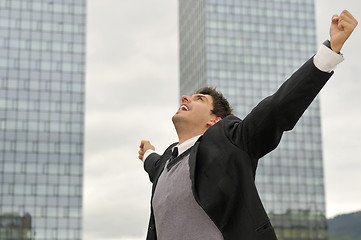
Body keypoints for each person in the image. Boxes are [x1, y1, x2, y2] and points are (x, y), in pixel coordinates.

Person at [138, 10, 358, 240]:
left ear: (214, 121)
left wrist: (329, 52)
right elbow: (152, 163)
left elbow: (277, 109)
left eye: (199, 99)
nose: (186, 98)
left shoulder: (228, 141)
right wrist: (147, 153)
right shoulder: (164, 162)